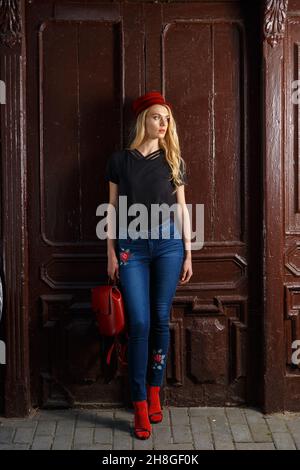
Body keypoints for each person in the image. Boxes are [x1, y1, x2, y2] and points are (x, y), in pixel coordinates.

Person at [105, 91, 193, 440]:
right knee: (139, 321)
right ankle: (139, 402)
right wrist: (109, 253)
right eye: (158, 117)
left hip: (169, 245)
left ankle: (155, 390)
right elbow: (111, 209)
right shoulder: (119, 161)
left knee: (160, 318)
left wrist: (189, 251)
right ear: (144, 120)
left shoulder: (174, 161)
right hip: (131, 249)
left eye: (167, 118)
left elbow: (183, 209)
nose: (163, 123)